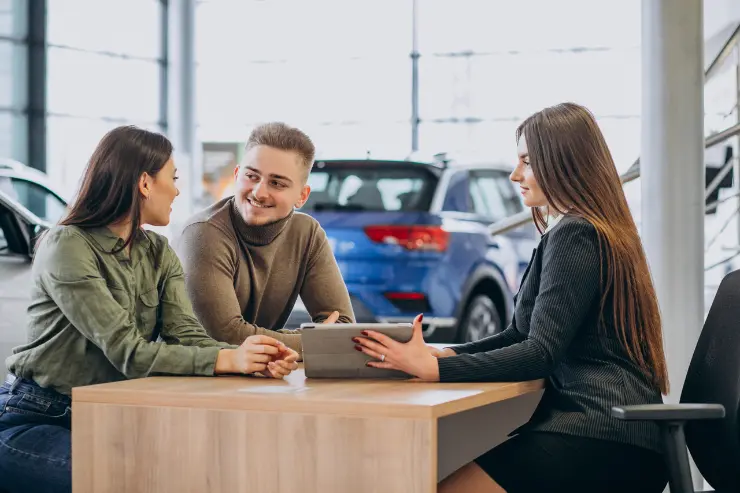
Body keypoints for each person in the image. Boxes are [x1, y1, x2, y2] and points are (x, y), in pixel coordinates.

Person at [355, 103, 670, 493]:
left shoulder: (577, 234)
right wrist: (448, 355)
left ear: (563, 163)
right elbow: (520, 334)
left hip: (603, 432)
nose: (515, 174)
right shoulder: (583, 229)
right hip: (617, 431)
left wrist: (434, 371)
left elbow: (540, 353)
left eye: (527, 161)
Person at [0, 126, 299, 493]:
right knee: (130, 479)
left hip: (117, 414)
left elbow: (187, 335)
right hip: (40, 416)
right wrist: (227, 361)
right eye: (171, 178)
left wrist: (249, 357)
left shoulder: (157, 251)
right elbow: (128, 353)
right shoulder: (67, 245)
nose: (176, 190)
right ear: (145, 183)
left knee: (209, 468)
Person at [175, 122, 354, 356]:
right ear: (237, 175)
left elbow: (343, 329)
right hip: (186, 381)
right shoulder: (203, 233)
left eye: (276, 183)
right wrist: (313, 341)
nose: (259, 192)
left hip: (255, 374)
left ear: (302, 196)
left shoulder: (307, 233)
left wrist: (309, 341)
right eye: (252, 176)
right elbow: (226, 336)